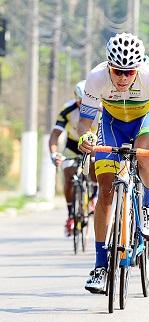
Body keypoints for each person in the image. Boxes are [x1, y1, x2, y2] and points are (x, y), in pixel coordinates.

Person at [78, 32, 149, 293]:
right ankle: (101, 267)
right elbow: (84, 122)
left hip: (146, 120)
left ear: (138, 69)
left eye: (129, 72)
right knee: (105, 192)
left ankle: (147, 204)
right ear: (108, 66)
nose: (123, 78)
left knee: (145, 150)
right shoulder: (96, 77)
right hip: (112, 125)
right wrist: (86, 137)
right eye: (118, 71)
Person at [49, 80, 98, 237]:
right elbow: (55, 135)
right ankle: (71, 214)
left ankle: (94, 197)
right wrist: (54, 153)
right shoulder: (68, 110)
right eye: (80, 102)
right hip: (72, 145)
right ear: (76, 98)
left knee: (95, 166)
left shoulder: (100, 110)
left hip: (93, 145)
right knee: (69, 174)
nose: (83, 106)